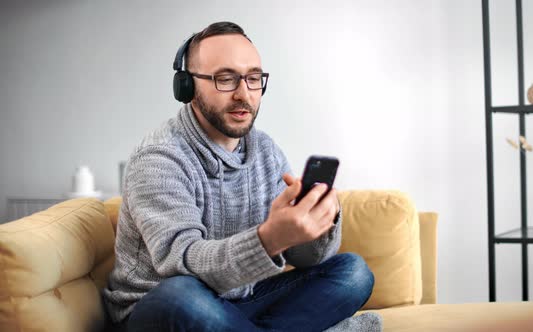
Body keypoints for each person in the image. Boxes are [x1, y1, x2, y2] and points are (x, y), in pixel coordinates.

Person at [102, 21, 380, 332]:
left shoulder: (264, 150)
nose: (243, 94)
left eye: (253, 78)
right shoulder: (158, 157)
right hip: (159, 308)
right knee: (181, 297)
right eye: (225, 79)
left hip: (236, 303)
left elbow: (304, 258)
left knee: (353, 272)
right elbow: (180, 263)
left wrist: (316, 225)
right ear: (187, 87)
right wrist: (269, 239)